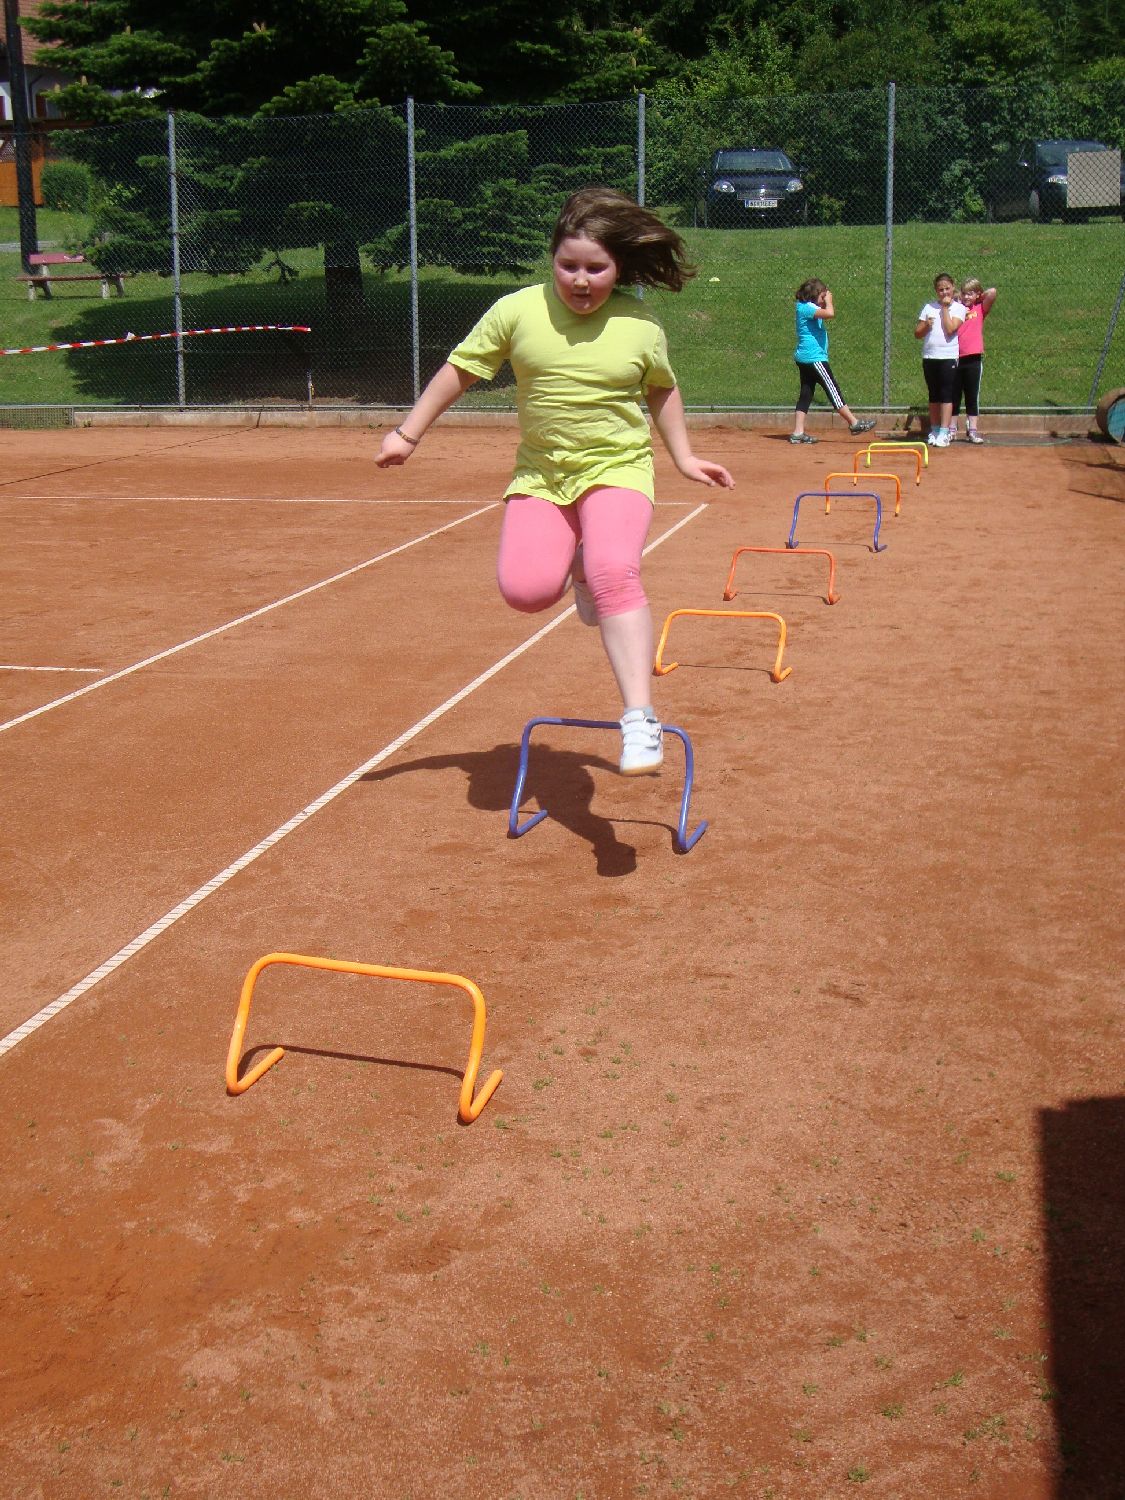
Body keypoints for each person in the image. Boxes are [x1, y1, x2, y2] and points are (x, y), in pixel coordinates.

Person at [375, 186, 734, 776]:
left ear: (618, 267)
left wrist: (684, 457)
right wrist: (407, 434)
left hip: (617, 467)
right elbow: (460, 370)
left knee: (615, 570)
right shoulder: (517, 311)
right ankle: (580, 569)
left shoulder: (639, 323)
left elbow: (660, 389)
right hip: (542, 473)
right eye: (569, 266)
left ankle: (639, 718)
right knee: (526, 591)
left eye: (597, 268)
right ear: (552, 260)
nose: (582, 281)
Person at [789, 278, 876, 444]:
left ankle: (798, 433)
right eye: (822, 296)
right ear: (814, 295)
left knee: (806, 393)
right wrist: (829, 301)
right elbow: (830, 313)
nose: (824, 299)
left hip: (806, 358)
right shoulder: (807, 308)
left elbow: (822, 311)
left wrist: (823, 299)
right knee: (833, 389)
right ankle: (854, 423)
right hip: (814, 358)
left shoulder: (805, 306)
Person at [914, 272, 966, 447]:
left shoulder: (958, 308)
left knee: (946, 394)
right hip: (930, 356)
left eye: (947, 289)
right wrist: (926, 325)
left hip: (948, 356)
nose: (944, 292)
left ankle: (944, 432)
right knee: (934, 395)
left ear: (953, 287)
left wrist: (944, 308)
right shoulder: (929, 307)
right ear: (936, 291)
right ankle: (934, 430)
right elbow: (917, 333)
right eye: (940, 290)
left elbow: (950, 329)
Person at [950, 278, 997, 444]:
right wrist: (960, 298)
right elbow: (950, 298)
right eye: (964, 293)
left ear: (977, 294)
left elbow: (992, 292)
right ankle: (952, 429)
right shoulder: (957, 308)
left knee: (972, 395)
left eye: (970, 293)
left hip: (974, 357)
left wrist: (977, 297)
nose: (966, 297)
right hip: (956, 357)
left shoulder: (979, 308)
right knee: (954, 394)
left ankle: (972, 430)